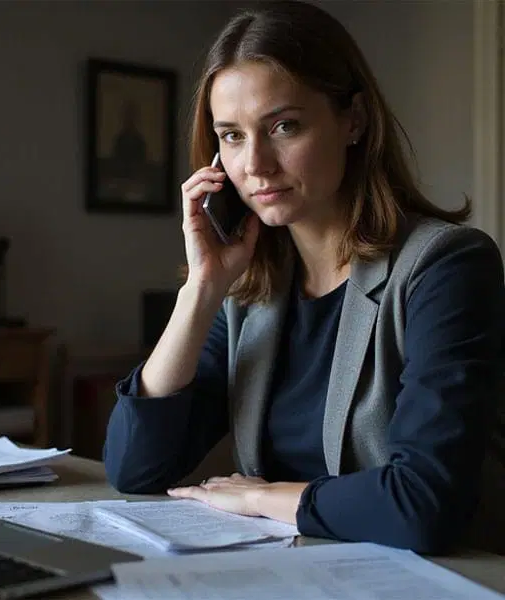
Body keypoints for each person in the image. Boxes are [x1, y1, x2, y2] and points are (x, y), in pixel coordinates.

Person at [102, 0, 505, 555]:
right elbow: (134, 466)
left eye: (284, 126)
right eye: (232, 136)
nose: (256, 165)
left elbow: (424, 505)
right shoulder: (250, 294)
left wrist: (262, 499)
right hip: (295, 572)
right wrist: (200, 291)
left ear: (353, 120)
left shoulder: (446, 266)